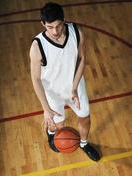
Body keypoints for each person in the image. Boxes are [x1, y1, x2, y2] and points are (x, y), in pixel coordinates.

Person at [30, 2, 100, 161]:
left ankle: (83, 143)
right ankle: (51, 132)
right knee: (59, 126)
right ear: (43, 24)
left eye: (59, 26)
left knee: (85, 117)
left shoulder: (76, 32)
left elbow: (82, 59)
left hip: (75, 87)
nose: (55, 31)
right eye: (50, 27)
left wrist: (74, 87)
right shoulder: (37, 46)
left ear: (64, 20)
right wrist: (45, 109)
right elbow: (35, 79)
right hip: (53, 93)